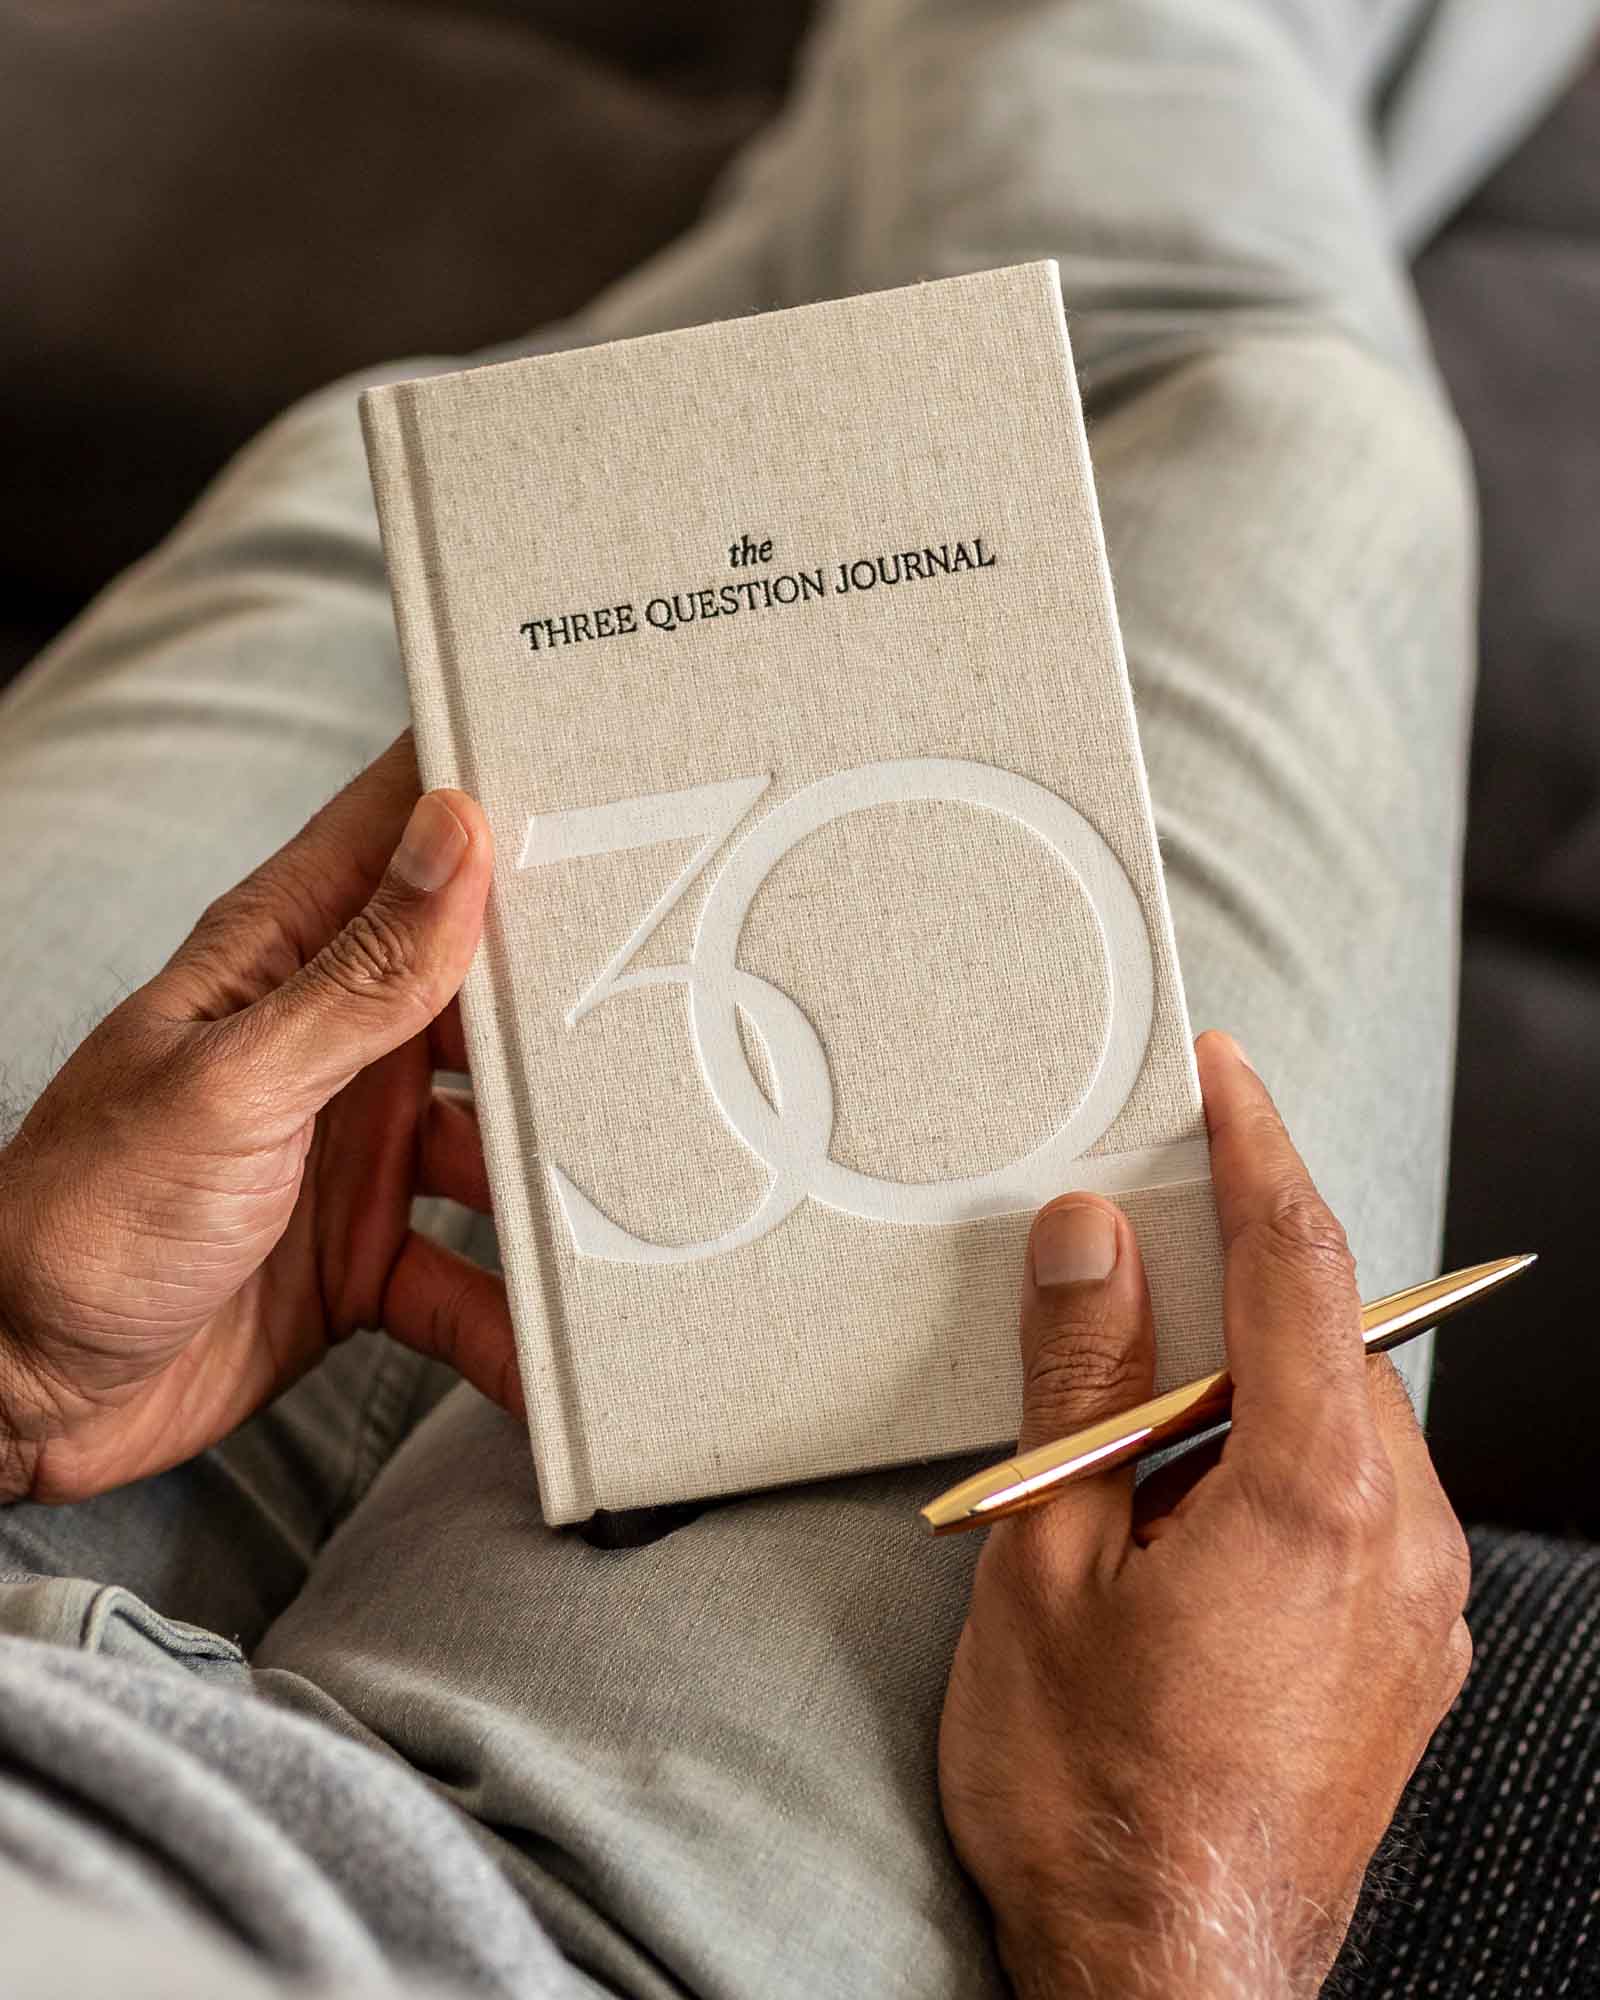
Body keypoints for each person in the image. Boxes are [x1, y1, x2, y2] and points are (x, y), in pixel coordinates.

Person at [1, 1, 1596, 1995]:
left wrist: (16, 1369)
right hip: (613, 1938)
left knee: (396, 508)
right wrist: (1172, 1925)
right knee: (1239, 407)